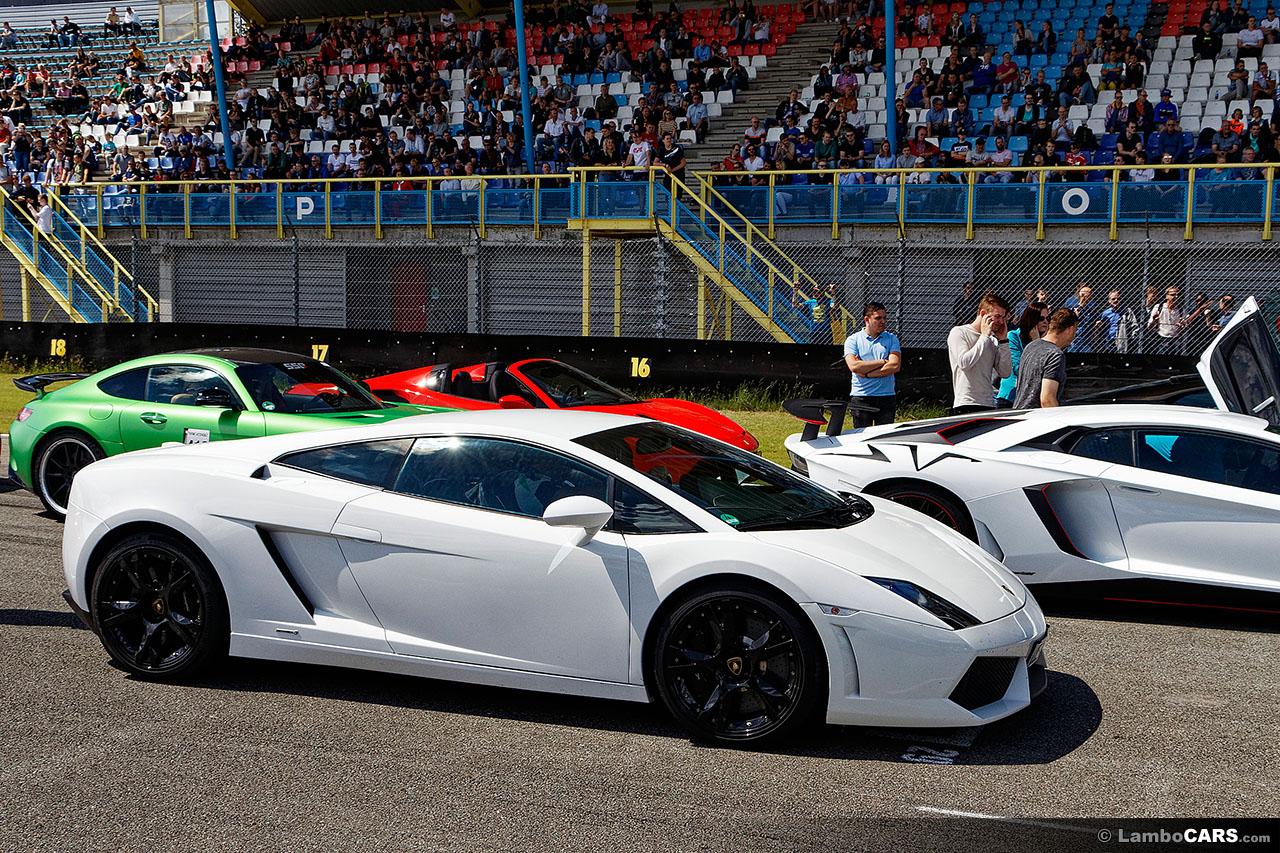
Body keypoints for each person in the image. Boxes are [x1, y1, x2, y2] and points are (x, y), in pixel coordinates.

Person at [947, 292, 1012, 414]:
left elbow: (1005, 372)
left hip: (988, 403)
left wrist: (1003, 342)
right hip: (966, 403)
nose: (1001, 322)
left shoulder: (992, 340)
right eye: (997, 316)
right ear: (983, 314)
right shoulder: (959, 332)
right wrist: (984, 336)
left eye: (1003, 318)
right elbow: (964, 363)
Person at [843, 302, 902, 427]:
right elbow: (854, 366)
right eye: (878, 318)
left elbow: (895, 366)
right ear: (867, 319)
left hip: (886, 396)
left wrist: (867, 373)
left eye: (884, 318)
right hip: (862, 396)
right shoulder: (853, 340)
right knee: (862, 435)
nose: (883, 321)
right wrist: (882, 361)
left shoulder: (892, 339)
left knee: (884, 436)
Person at [1013, 308, 1079, 409]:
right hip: (1038, 416)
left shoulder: (1031, 346)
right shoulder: (1055, 355)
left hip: (1020, 412)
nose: (1074, 335)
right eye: (1075, 331)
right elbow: (1047, 400)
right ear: (1070, 329)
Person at [996, 302, 1049, 408]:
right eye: (1041, 318)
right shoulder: (1013, 336)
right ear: (1031, 319)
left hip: (1033, 396)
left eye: (1048, 318)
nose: (1045, 322)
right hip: (1011, 396)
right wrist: (1036, 343)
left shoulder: (1046, 340)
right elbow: (1018, 368)